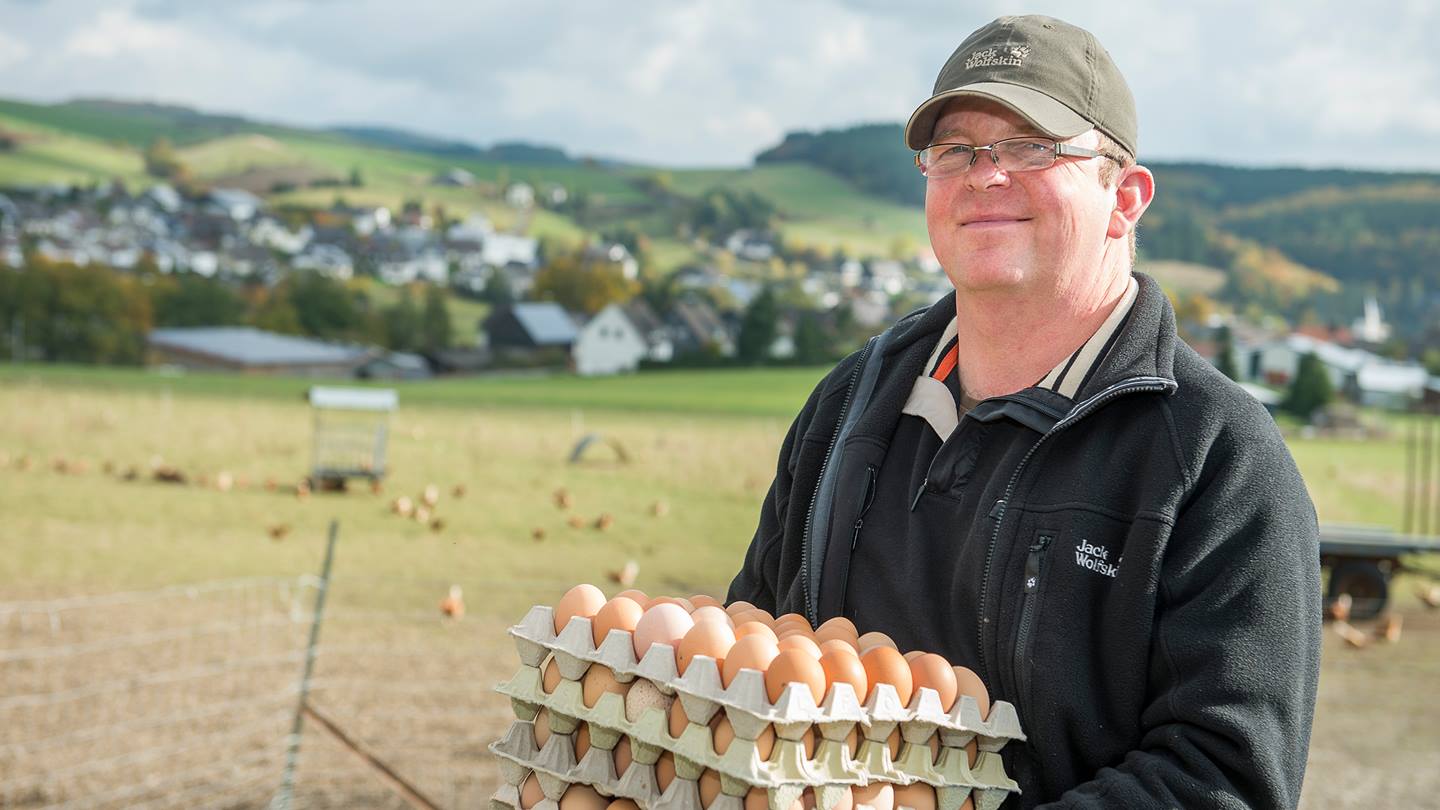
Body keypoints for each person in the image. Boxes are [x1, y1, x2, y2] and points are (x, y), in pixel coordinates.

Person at [726, 14, 1321, 809]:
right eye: (954, 151)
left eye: (1033, 147)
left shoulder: (1217, 459)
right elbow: (757, 653)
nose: (984, 175)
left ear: (1126, 197)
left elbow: (1221, 779)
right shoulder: (849, 404)